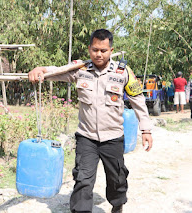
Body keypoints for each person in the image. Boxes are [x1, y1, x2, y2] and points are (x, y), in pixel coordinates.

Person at [28, 29, 153, 213]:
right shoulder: (80, 70)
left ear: (111, 50)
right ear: (89, 49)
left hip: (113, 137)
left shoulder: (123, 72)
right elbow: (58, 71)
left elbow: (138, 100)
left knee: (117, 178)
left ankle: (117, 204)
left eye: (103, 50)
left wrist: (146, 130)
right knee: (83, 179)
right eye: (95, 50)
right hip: (87, 137)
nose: (99, 54)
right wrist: (41, 70)